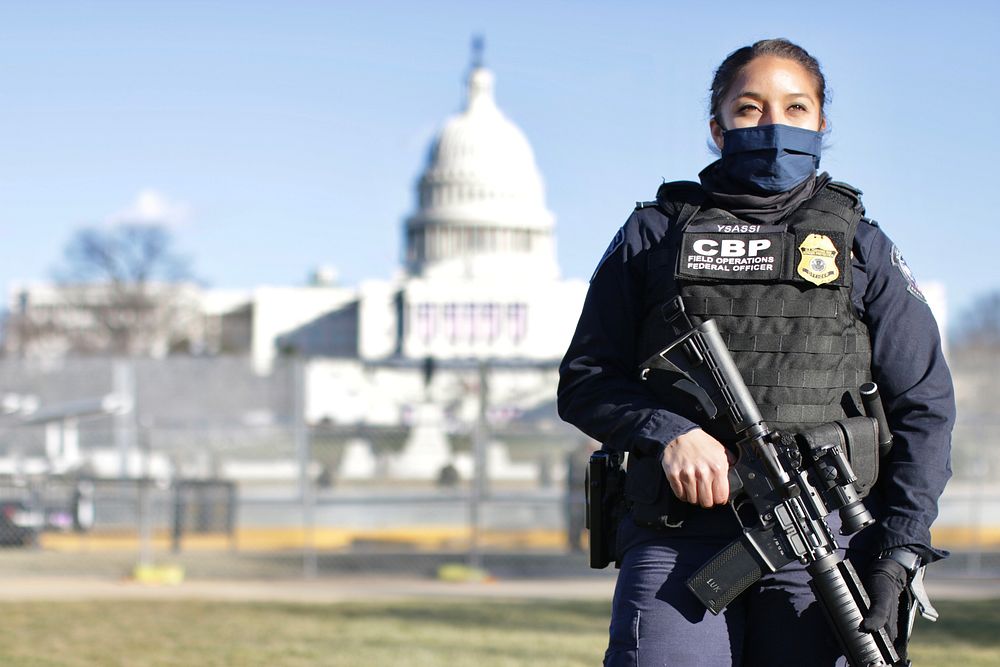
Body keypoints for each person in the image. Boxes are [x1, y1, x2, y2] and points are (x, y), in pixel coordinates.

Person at [557, 38, 954, 667]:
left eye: (796, 109)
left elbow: (925, 405)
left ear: (822, 124)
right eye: (750, 109)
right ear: (716, 128)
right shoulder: (656, 234)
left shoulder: (860, 246)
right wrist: (670, 433)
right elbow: (585, 378)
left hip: (826, 538)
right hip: (678, 537)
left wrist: (901, 549)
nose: (774, 126)